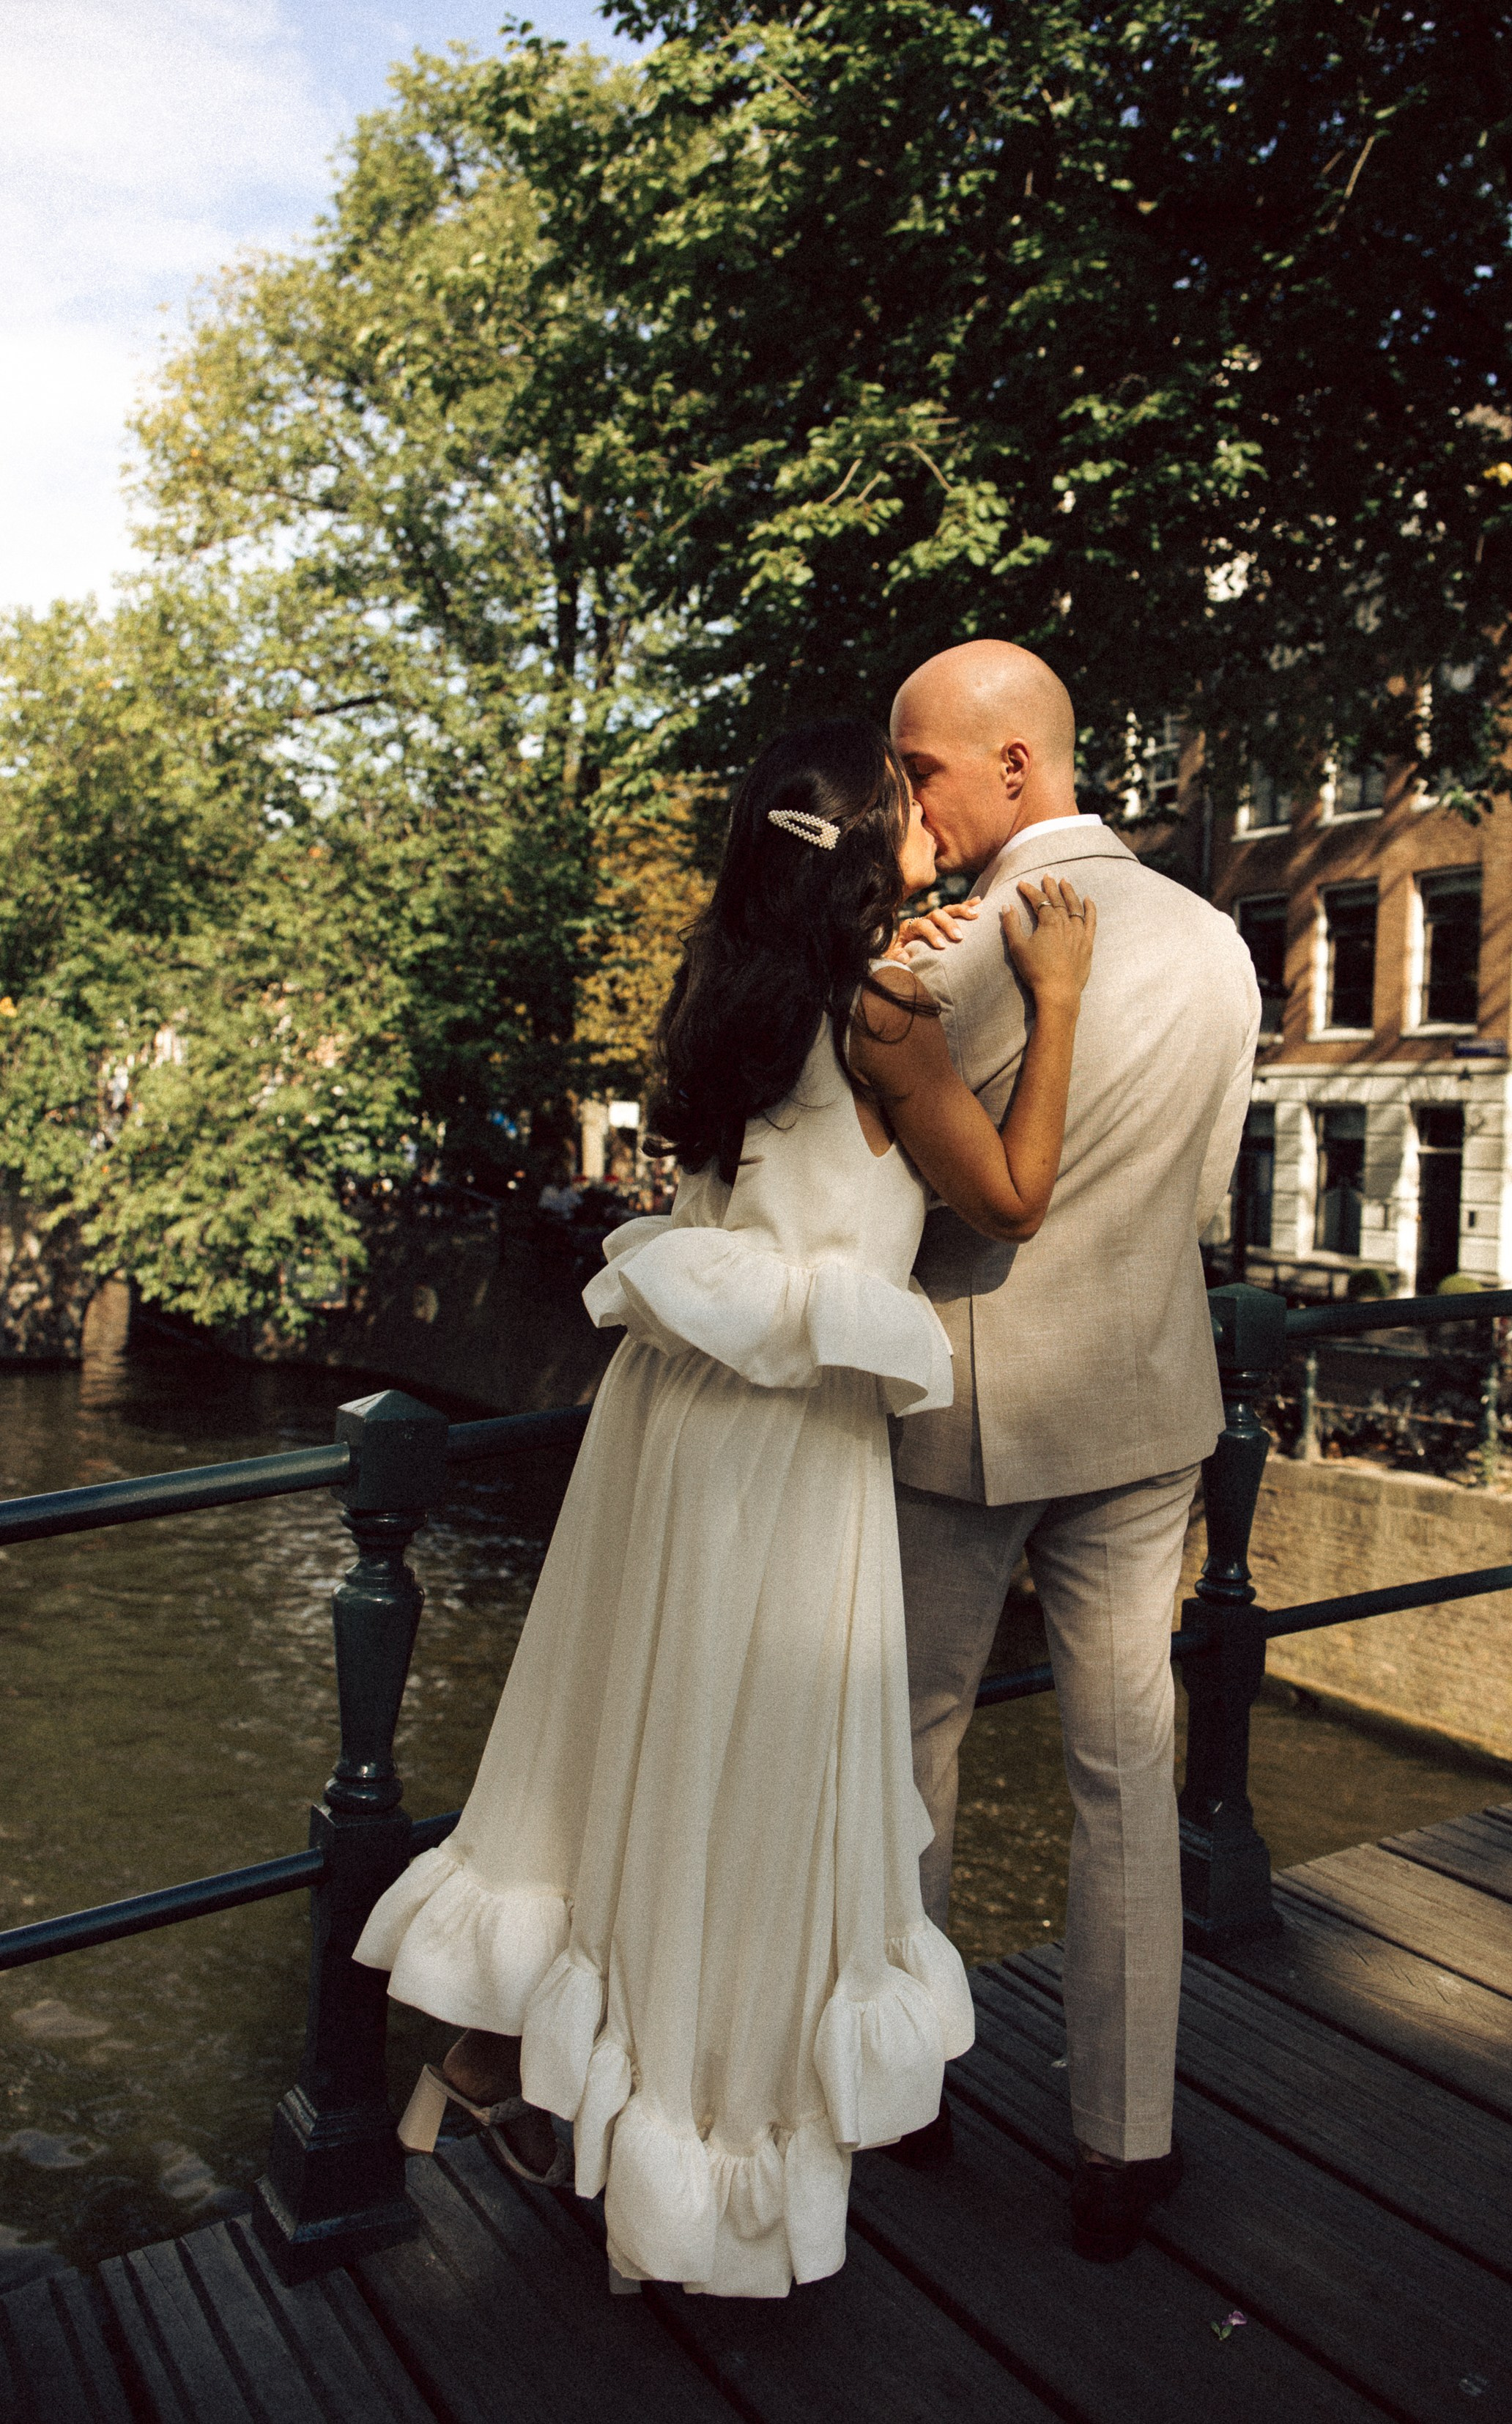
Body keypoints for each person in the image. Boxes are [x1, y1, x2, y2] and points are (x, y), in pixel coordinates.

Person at [354, 717, 1097, 2299]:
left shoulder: (726, 999)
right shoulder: (895, 1017)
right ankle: (688, 2172)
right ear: (862, 847)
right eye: (905, 802)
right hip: (784, 1437)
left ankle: (510, 2059)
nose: (928, 819)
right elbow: (1013, 1198)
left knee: (625, 1741)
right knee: (745, 1776)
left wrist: (904, 948)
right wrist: (1060, 996)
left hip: (668, 1421)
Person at [886, 640, 1259, 2263]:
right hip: (1148, 1406)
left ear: (1016, 769)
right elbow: (1200, 1204)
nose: (911, 804)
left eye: (922, 772)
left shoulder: (952, 956)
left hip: (962, 1408)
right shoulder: (1222, 944)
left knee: (909, 1752)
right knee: (1129, 1770)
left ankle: (900, 2088)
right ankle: (1126, 2140)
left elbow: (900, 1198)